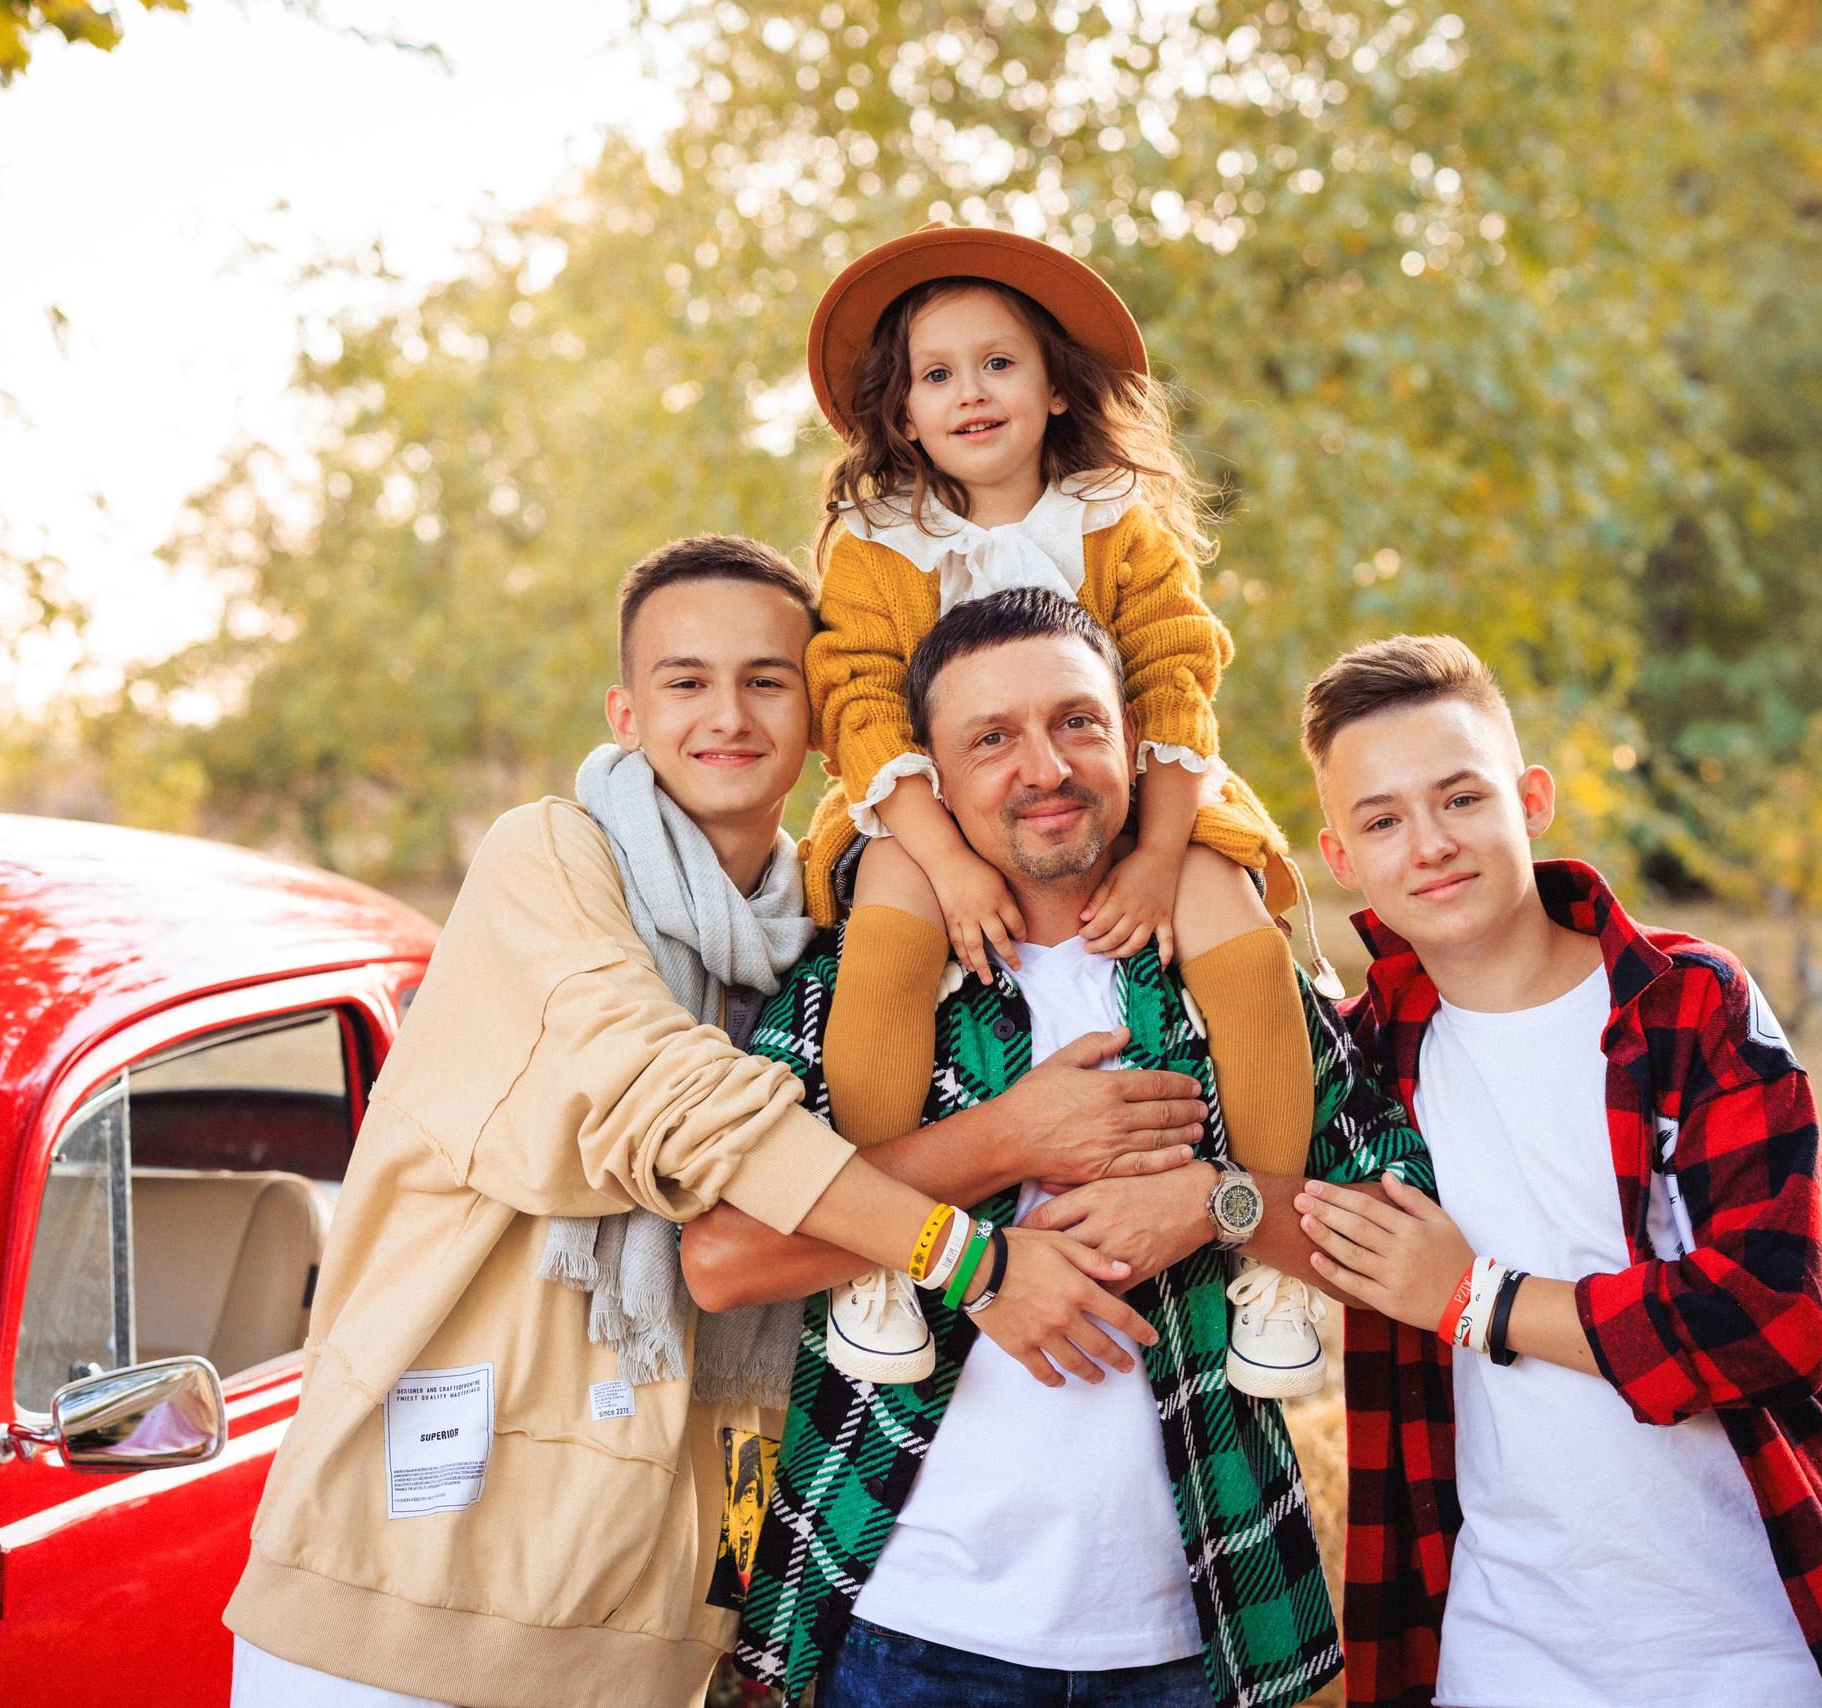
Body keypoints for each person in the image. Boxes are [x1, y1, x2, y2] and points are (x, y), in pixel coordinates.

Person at [222, 538, 1210, 1708]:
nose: (728, 714)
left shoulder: (825, 938)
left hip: (641, 1624)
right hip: (401, 1594)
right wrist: (982, 1241)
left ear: (823, 721)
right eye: (686, 682)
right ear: (627, 712)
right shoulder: (547, 859)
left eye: (767, 679)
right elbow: (675, 1101)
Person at [685, 588, 1433, 1708]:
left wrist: (1217, 1202)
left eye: (1077, 722)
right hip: (896, 1624)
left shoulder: (1226, 974)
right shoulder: (863, 985)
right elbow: (724, 1254)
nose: (1043, 766)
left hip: (1206, 1628)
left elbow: (1408, 1230)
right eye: (991, 739)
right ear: (931, 785)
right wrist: (1001, 1142)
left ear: (1134, 744)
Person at [1290, 634, 1822, 1708]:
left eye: (1460, 798)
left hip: (1751, 1645)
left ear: (1529, 799)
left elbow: (1780, 1319)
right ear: (1341, 857)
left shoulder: (1688, 1005)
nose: (1430, 845)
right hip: (1500, 1654)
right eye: (1382, 818)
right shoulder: (1365, 1068)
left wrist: (1472, 1297)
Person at [791, 222, 1336, 1394]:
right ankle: (874, 1252)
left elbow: (1175, 675)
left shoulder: (1111, 516)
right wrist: (944, 861)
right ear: (901, 415)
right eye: (936, 375)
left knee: (1239, 945)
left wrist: (1158, 851)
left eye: (998, 363)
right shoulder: (875, 545)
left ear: (1050, 388)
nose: (970, 393)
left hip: (1134, 787)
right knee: (882, 943)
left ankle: (1274, 1260)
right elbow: (859, 705)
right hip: (923, 804)